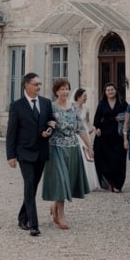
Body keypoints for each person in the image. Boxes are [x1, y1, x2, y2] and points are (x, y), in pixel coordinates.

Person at [6, 72, 55, 236]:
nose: (39, 87)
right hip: (24, 152)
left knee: (32, 186)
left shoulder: (46, 103)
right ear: (26, 85)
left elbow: (51, 121)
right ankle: (33, 224)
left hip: (41, 151)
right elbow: (11, 133)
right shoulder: (16, 106)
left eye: (39, 84)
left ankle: (22, 216)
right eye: (35, 84)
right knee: (29, 183)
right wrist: (10, 156)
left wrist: (50, 131)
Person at [42, 78, 92, 229]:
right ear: (56, 91)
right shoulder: (50, 108)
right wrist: (48, 129)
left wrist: (89, 147)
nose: (65, 91)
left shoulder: (73, 108)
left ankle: (54, 207)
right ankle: (62, 215)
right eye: (62, 89)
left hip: (72, 147)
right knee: (61, 180)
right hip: (56, 147)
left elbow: (80, 128)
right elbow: (46, 126)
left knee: (66, 181)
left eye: (67, 88)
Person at [92, 82, 127, 193]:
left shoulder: (122, 102)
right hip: (105, 135)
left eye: (112, 89)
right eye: (108, 90)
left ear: (116, 90)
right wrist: (97, 128)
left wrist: (121, 118)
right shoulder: (102, 104)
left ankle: (118, 184)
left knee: (119, 159)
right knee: (106, 160)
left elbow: (129, 115)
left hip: (118, 135)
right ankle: (110, 183)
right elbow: (96, 119)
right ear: (105, 92)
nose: (110, 92)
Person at [73, 87, 100, 191]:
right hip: (76, 135)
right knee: (79, 157)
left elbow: (88, 122)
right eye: (84, 96)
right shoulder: (72, 108)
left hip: (85, 134)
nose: (86, 98)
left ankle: (88, 182)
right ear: (78, 96)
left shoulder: (86, 109)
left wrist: (93, 128)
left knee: (87, 157)